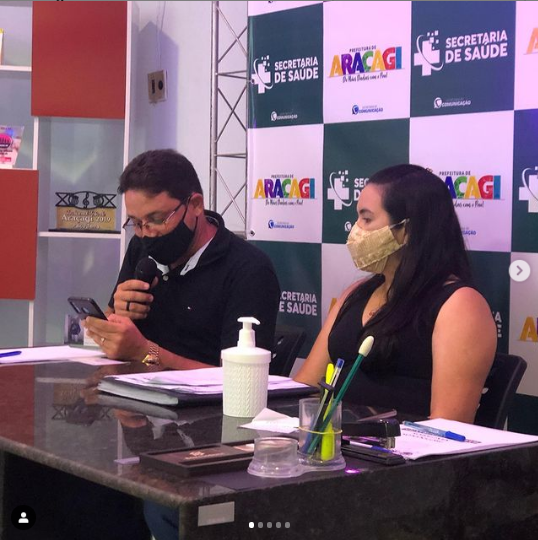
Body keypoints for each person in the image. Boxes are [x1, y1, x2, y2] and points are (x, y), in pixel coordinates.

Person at [294, 164, 497, 423]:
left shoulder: (459, 306)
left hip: (399, 447)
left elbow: (448, 424)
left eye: (367, 219)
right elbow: (305, 388)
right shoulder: (355, 294)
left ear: (406, 230)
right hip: (334, 443)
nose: (355, 229)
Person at [84, 149, 280, 369]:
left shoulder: (248, 269)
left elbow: (240, 377)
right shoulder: (140, 247)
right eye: (136, 223)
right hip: (129, 386)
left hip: (204, 392)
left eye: (157, 219)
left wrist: (146, 352)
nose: (147, 233)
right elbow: (112, 331)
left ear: (195, 205)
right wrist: (116, 317)